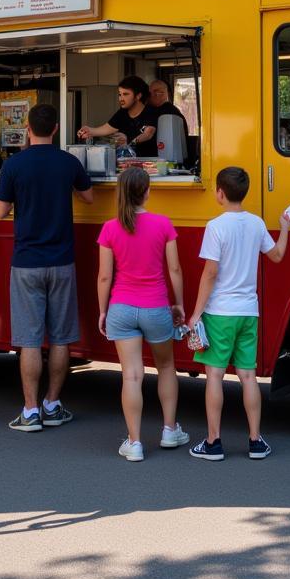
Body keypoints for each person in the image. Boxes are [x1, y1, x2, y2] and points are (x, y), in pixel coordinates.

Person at [0, 103, 94, 432]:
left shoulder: (14, 165)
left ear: (27, 127)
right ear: (55, 129)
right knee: (62, 338)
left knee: (30, 340)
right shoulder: (69, 162)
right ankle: (52, 403)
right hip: (62, 261)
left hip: (26, 262)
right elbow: (90, 197)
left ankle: (30, 410)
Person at [187, 166, 290, 461]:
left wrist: (196, 314)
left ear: (220, 193)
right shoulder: (257, 224)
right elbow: (277, 256)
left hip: (220, 312)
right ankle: (256, 441)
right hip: (249, 312)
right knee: (248, 376)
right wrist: (284, 227)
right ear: (244, 193)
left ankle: (213, 442)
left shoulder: (216, 226)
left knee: (215, 376)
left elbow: (210, 273)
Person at [97, 167, 189, 461]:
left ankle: (134, 443)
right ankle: (169, 430)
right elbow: (174, 269)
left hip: (121, 309)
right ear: (147, 191)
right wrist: (179, 304)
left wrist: (103, 311)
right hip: (155, 308)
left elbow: (103, 277)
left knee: (132, 376)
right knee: (165, 368)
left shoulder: (110, 228)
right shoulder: (163, 225)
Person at [77, 75, 159, 157]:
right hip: (126, 163)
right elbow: (107, 128)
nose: (121, 98)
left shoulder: (150, 112)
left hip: (148, 164)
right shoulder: (122, 113)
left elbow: (148, 133)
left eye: (126, 94)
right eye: (120, 94)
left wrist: (129, 141)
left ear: (138, 96)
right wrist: (89, 131)